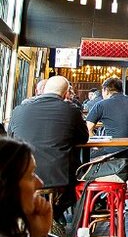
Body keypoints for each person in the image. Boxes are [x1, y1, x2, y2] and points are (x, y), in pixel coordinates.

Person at [8, 76, 88, 217]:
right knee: (76, 179)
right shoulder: (71, 110)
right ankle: (55, 216)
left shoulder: (19, 110)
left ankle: (42, 217)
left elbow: (11, 139)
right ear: (65, 94)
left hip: (21, 174)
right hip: (58, 177)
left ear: (42, 90)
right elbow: (83, 138)